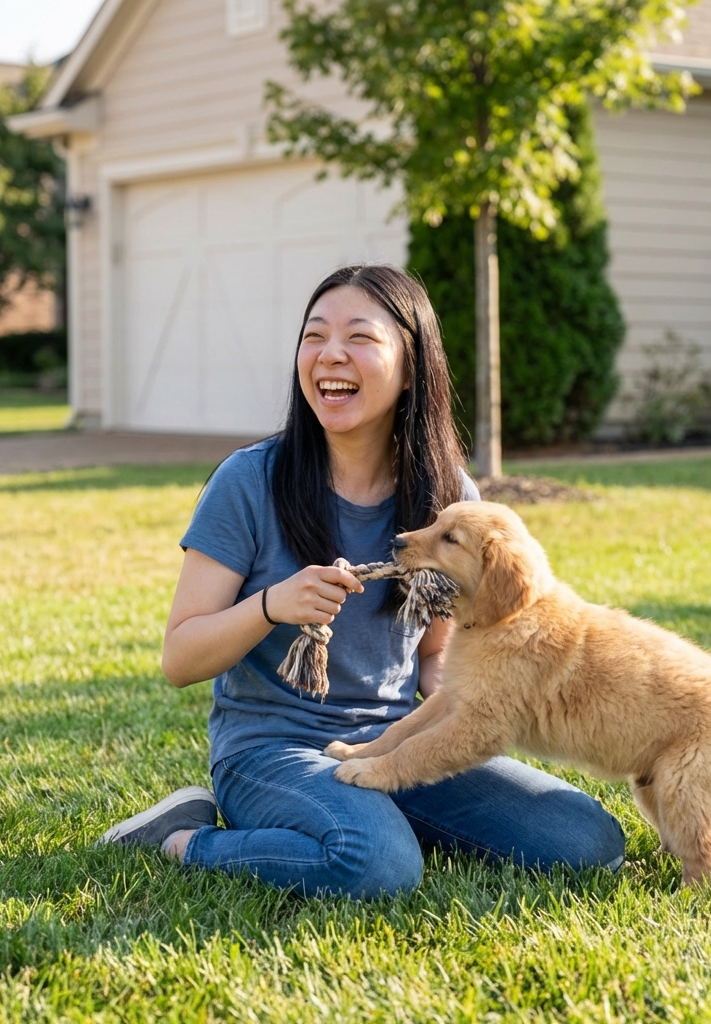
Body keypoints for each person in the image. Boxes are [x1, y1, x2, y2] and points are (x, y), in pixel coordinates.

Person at [99, 264, 625, 898]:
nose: (330, 356)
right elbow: (180, 659)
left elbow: (435, 660)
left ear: (411, 366)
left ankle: (379, 812)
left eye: (360, 338)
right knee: (377, 865)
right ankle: (185, 839)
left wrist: (485, 705)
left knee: (586, 841)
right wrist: (271, 606)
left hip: (400, 743)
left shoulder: (448, 500)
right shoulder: (247, 482)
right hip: (274, 752)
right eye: (314, 336)